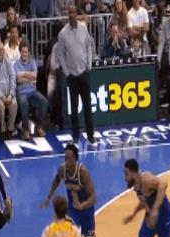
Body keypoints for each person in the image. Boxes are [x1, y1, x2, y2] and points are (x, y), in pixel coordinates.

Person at [41, 143, 96, 237]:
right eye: (65, 158)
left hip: (86, 210)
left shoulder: (83, 173)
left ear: (76, 159)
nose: (66, 161)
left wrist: (82, 205)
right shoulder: (62, 169)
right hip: (73, 210)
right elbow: (56, 180)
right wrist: (49, 197)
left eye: (69, 158)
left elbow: (93, 197)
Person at [57, 2, 96, 147]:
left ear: (77, 14)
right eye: (70, 13)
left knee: (87, 107)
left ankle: (91, 136)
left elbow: (89, 47)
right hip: (72, 76)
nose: (72, 15)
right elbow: (60, 55)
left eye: (74, 12)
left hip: (84, 73)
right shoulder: (62, 34)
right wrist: (67, 73)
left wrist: (89, 65)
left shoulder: (84, 28)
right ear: (67, 15)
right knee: (74, 109)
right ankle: (75, 136)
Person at [13, 39, 48, 141]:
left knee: (44, 101)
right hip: (21, 93)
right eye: (22, 52)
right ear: (20, 52)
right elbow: (18, 80)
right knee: (24, 103)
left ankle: (39, 127)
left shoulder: (32, 62)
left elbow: (34, 76)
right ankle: (26, 130)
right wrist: (29, 77)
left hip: (32, 92)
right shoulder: (16, 64)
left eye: (26, 52)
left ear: (29, 53)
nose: (24, 54)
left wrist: (23, 74)